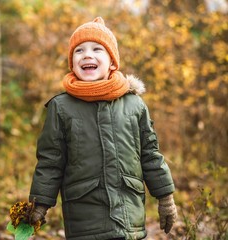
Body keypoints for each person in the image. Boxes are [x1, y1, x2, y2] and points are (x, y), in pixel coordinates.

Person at [28, 17, 177, 240]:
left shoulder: (134, 104)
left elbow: (150, 154)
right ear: (72, 62)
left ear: (112, 62)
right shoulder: (61, 107)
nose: (87, 55)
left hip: (129, 216)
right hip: (85, 218)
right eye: (79, 51)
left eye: (97, 49)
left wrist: (166, 198)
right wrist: (40, 204)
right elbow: (51, 160)